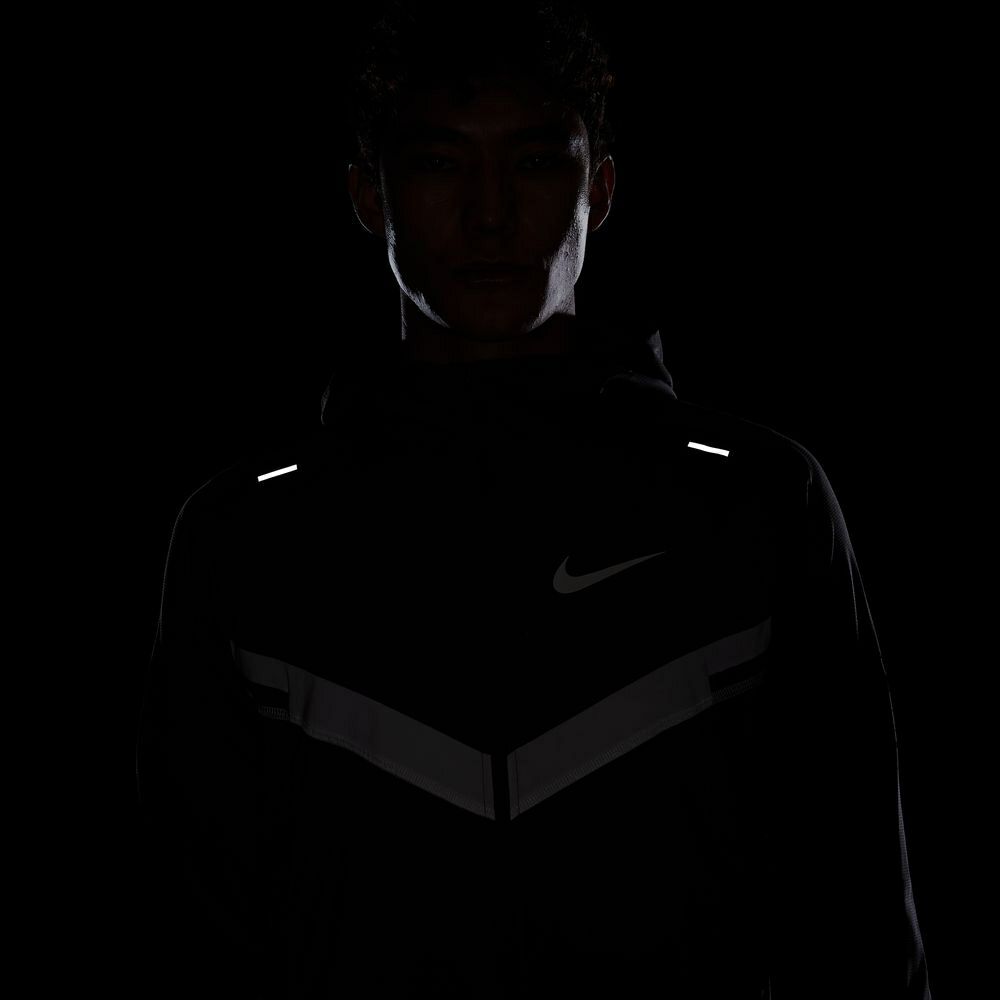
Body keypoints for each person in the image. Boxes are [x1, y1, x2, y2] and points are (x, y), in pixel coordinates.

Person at [134, 2, 933, 996]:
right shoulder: (248, 532)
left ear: (599, 189)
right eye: (440, 163)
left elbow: (857, 905)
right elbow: (191, 923)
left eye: (535, 161)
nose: (489, 213)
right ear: (369, 195)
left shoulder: (756, 496)